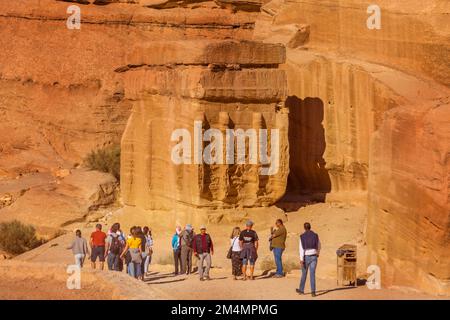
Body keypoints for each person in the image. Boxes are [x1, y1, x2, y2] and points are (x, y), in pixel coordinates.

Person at [296, 222, 321, 297]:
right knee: (312, 274)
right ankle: (313, 292)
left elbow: (301, 249)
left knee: (304, 274)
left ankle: (301, 290)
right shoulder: (315, 235)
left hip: (306, 257)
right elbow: (319, 245)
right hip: (314, 256)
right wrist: (317, 253)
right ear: (310, 227)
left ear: (304, 228)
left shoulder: (302, 236)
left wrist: (301, 259)